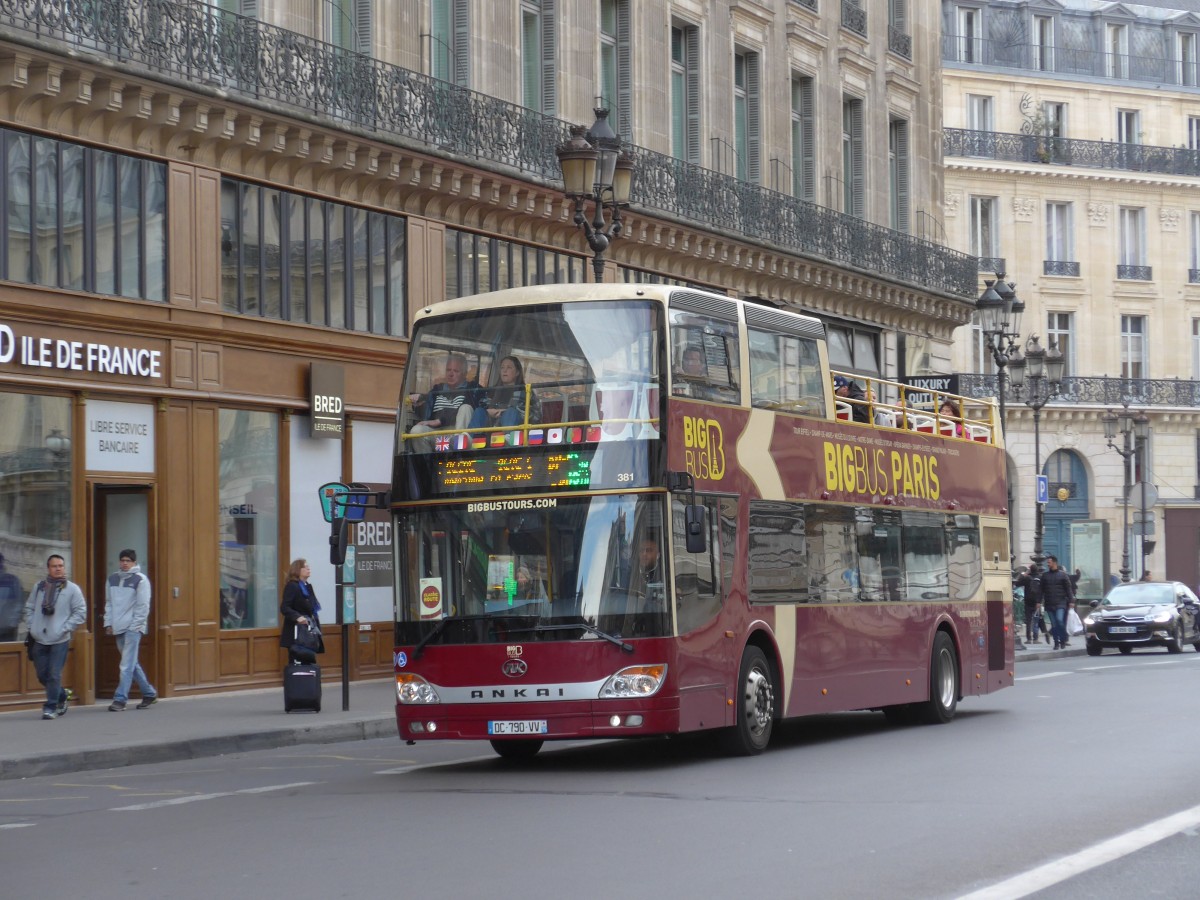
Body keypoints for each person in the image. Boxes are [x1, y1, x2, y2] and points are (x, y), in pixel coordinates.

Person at [22, 554, 87, 720]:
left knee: (53, 674)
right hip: (39, 639)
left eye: (61, 566)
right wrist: (32, 625)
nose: (58, 569)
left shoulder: (72, 589)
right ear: (48, 568)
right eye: (54, 566)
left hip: (59, 639)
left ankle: (50, 707)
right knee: (42, 675)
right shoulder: (39, 587)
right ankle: (62, 694)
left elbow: (80, 612)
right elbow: (29, 607)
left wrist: (65, 628)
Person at [104, 548, 157, 711]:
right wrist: (108, 623)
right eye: (122, 560)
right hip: (118, 627)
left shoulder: (141, 580)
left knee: (126, 664)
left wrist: (135, 626)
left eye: (128, 560)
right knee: (131, 663)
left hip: (133, 628)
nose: (125, 563)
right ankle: (149, 693)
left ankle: (120, 699)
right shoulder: (112, 579)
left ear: (134, 562)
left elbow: (143, 606)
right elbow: (109, 603)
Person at [407, 354, 479, 452]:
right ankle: (428, 465)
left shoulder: (473, 389)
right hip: (438, 433)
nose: (451, 374)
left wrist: (440, 420)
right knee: (416, 431)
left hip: (457, 432)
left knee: (465, 408)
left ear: (464, 374)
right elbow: (427, 407)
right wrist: (419, 400)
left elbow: (473, 409)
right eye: (448, 370)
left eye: (455, 371)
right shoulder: (438, 389)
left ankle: (458, 450)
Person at [468, 355, 539, 432]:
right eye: (502, 367)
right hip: (491, 427)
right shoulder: (493, 390)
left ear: (517, 372)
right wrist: (489, 410)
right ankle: (470, 439)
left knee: (511, 412)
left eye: (509, 367)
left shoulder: (526, 391)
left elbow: (533, 415)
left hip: (517, 433)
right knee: (479, 411)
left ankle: (507, 438)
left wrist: (503, 412)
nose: (504, 370)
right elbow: (483, 404)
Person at [279, 558, 325, 664]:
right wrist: (297, 617)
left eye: (309, 566)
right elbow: (285, 607)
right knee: (297, 660)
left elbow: (311, 607)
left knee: (309, 659)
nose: (309, 568)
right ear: (297, 570)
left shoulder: (307, 586)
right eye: (305, 567)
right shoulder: (292, 586)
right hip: (297, 631)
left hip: (308, 630)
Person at [1041, 555, 1076, 650]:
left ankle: (1063, 639)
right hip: (1049, 603)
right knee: (1054, 624)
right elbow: (1041, 590)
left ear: (1054, 563)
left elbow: (1068, 589)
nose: (1048, 564)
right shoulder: (1045, 576)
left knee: (1060, 621)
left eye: (1049, 562)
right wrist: (1038, 602)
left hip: (1061, 602)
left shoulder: (1063, 575)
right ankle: (1056, 642)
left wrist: (1071, 600)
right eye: (1047, 562)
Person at [1015, 564, 1044, 644]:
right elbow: (1042, 590)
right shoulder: (1040, 577)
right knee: (1036, 620)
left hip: (1028, 601)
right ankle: (1035, 638)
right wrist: (1040, 601)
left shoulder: (1026, 578)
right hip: (1036, 602)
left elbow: (1017, 583)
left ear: (1030, 570)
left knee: (1028, 620)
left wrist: (1025, 574)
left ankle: (1028, 638)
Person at [0, 552, 23, 642]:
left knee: (8, 654)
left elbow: (19, 603)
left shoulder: (12, 580)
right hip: (8, 627)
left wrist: (12, 623)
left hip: (7, 631)